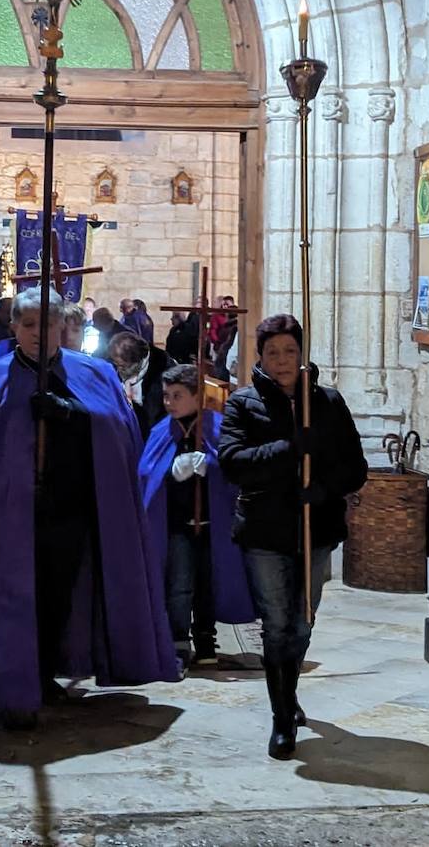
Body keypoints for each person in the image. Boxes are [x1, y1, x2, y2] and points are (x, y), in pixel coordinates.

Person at [0, 287, 179, 729]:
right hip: (8, 512)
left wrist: (74, 412)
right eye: (29, 324)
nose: (39, 332)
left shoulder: (95, 374)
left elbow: (121, 431)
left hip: (69, 507)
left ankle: (42, 671)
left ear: (64, 325)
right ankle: (14, 681)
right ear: (15, 327)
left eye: (48, 323)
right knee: (14, 596)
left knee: (57, 594)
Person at [218, 314, 369, 760]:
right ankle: (281, 718)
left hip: (315, 528)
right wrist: (288, 450)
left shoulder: (327, 402)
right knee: (277, 625)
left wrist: (323, 486)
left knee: (302, 623)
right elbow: (233, 462)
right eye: (272, 353)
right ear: (260, 357)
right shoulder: (243, 404)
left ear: (301, 354)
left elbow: (355, 467)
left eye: (289, 351)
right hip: (265, 530)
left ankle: (290, 690)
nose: (282, 361)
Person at [138, 364, 254, 673]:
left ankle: (206, 641)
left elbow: (235, 468)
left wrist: (211, 467)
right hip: (178, 525)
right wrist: (170, 472)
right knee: (179, 586)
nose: (169, 402)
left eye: (177, 396)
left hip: (211, 525)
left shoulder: (218, 426)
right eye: (166, 396)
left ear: (197, 396)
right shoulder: (162, 430)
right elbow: (146, 472)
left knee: (208, 584)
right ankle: (178, 642)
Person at [107, 331, 171, 440]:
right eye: (116, 365)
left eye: (122, 366)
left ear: (137, 361)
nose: (119, 370)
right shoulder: (128, 369)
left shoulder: (162, 375)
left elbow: (154, 418)